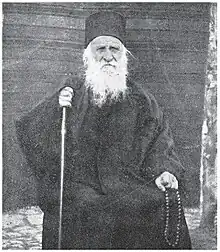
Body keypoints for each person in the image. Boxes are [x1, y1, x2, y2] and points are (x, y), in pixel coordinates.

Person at [16, 11, 192, 249]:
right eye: (101, 49)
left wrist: (164, 170)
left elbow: (160, 138)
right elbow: (32, 130)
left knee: (161, 202)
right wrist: (56, 107)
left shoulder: (141, 98)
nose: (108, 56)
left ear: (123, 55)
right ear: (89, 56)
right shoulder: (72, 92)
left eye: (114, 49)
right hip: (81, 184)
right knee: (83, 208)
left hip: (128, 183)